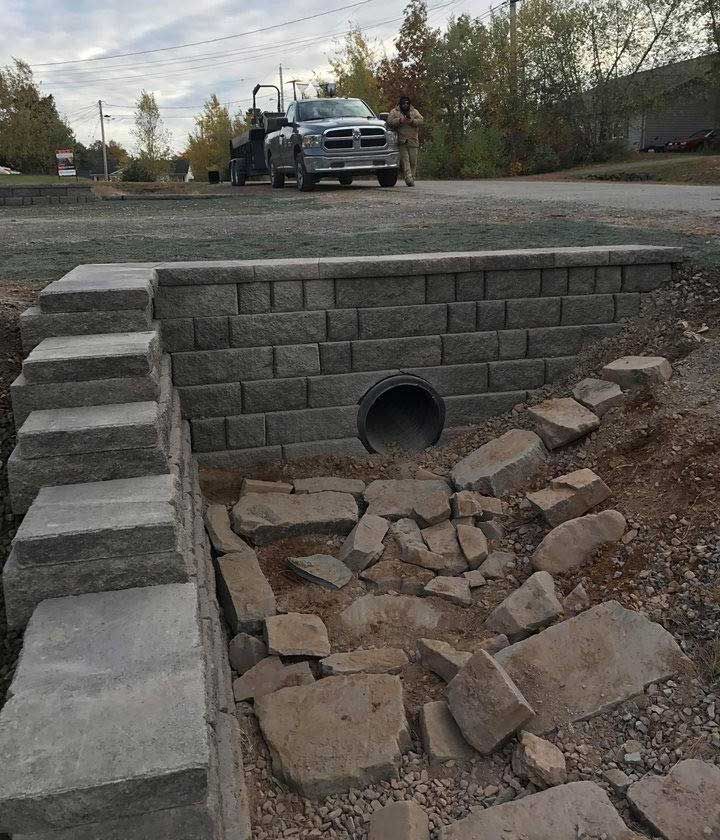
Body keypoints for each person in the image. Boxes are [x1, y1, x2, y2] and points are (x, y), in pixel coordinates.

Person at [386, 94, 424, 186]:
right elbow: (389, 121)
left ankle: (412, 177)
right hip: (402, 140)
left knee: (413, 161)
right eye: (404, 103)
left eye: (407, 103)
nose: (405, 105)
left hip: (413, 140)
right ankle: (408, 178)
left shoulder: (414, 112)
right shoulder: (395, 112)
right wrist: (399, 120)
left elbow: (421, 120)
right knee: (405, 161)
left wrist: (412, 121)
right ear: (400, 103)